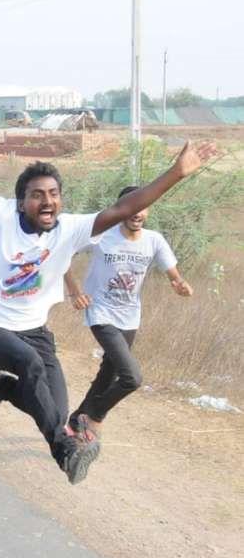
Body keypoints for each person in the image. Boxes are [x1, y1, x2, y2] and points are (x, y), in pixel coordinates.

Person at [0, 107, 216, 484]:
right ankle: (65, 451)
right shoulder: (0, 214)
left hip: (37, 333)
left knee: (54, 406)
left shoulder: (71, 229)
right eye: (37, 195)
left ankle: (5, 387)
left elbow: (124, 207)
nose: (47, 202)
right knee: (38, 379)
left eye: (54, 194)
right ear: (21, 200)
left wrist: (176, 174)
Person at [62, 185, 192, 441]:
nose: (137, 213)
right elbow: (63, 254)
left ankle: (76, 421)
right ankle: (95, 416)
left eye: (142, 207)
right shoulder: (101, 235)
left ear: (148, 209)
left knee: (109, 372)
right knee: (131, 377)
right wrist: (76, 292)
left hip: (130, 315)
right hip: (99, 311)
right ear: (120, 210)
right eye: (131, 208)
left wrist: (180, 284)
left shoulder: (154, 240)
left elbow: (174, 275)